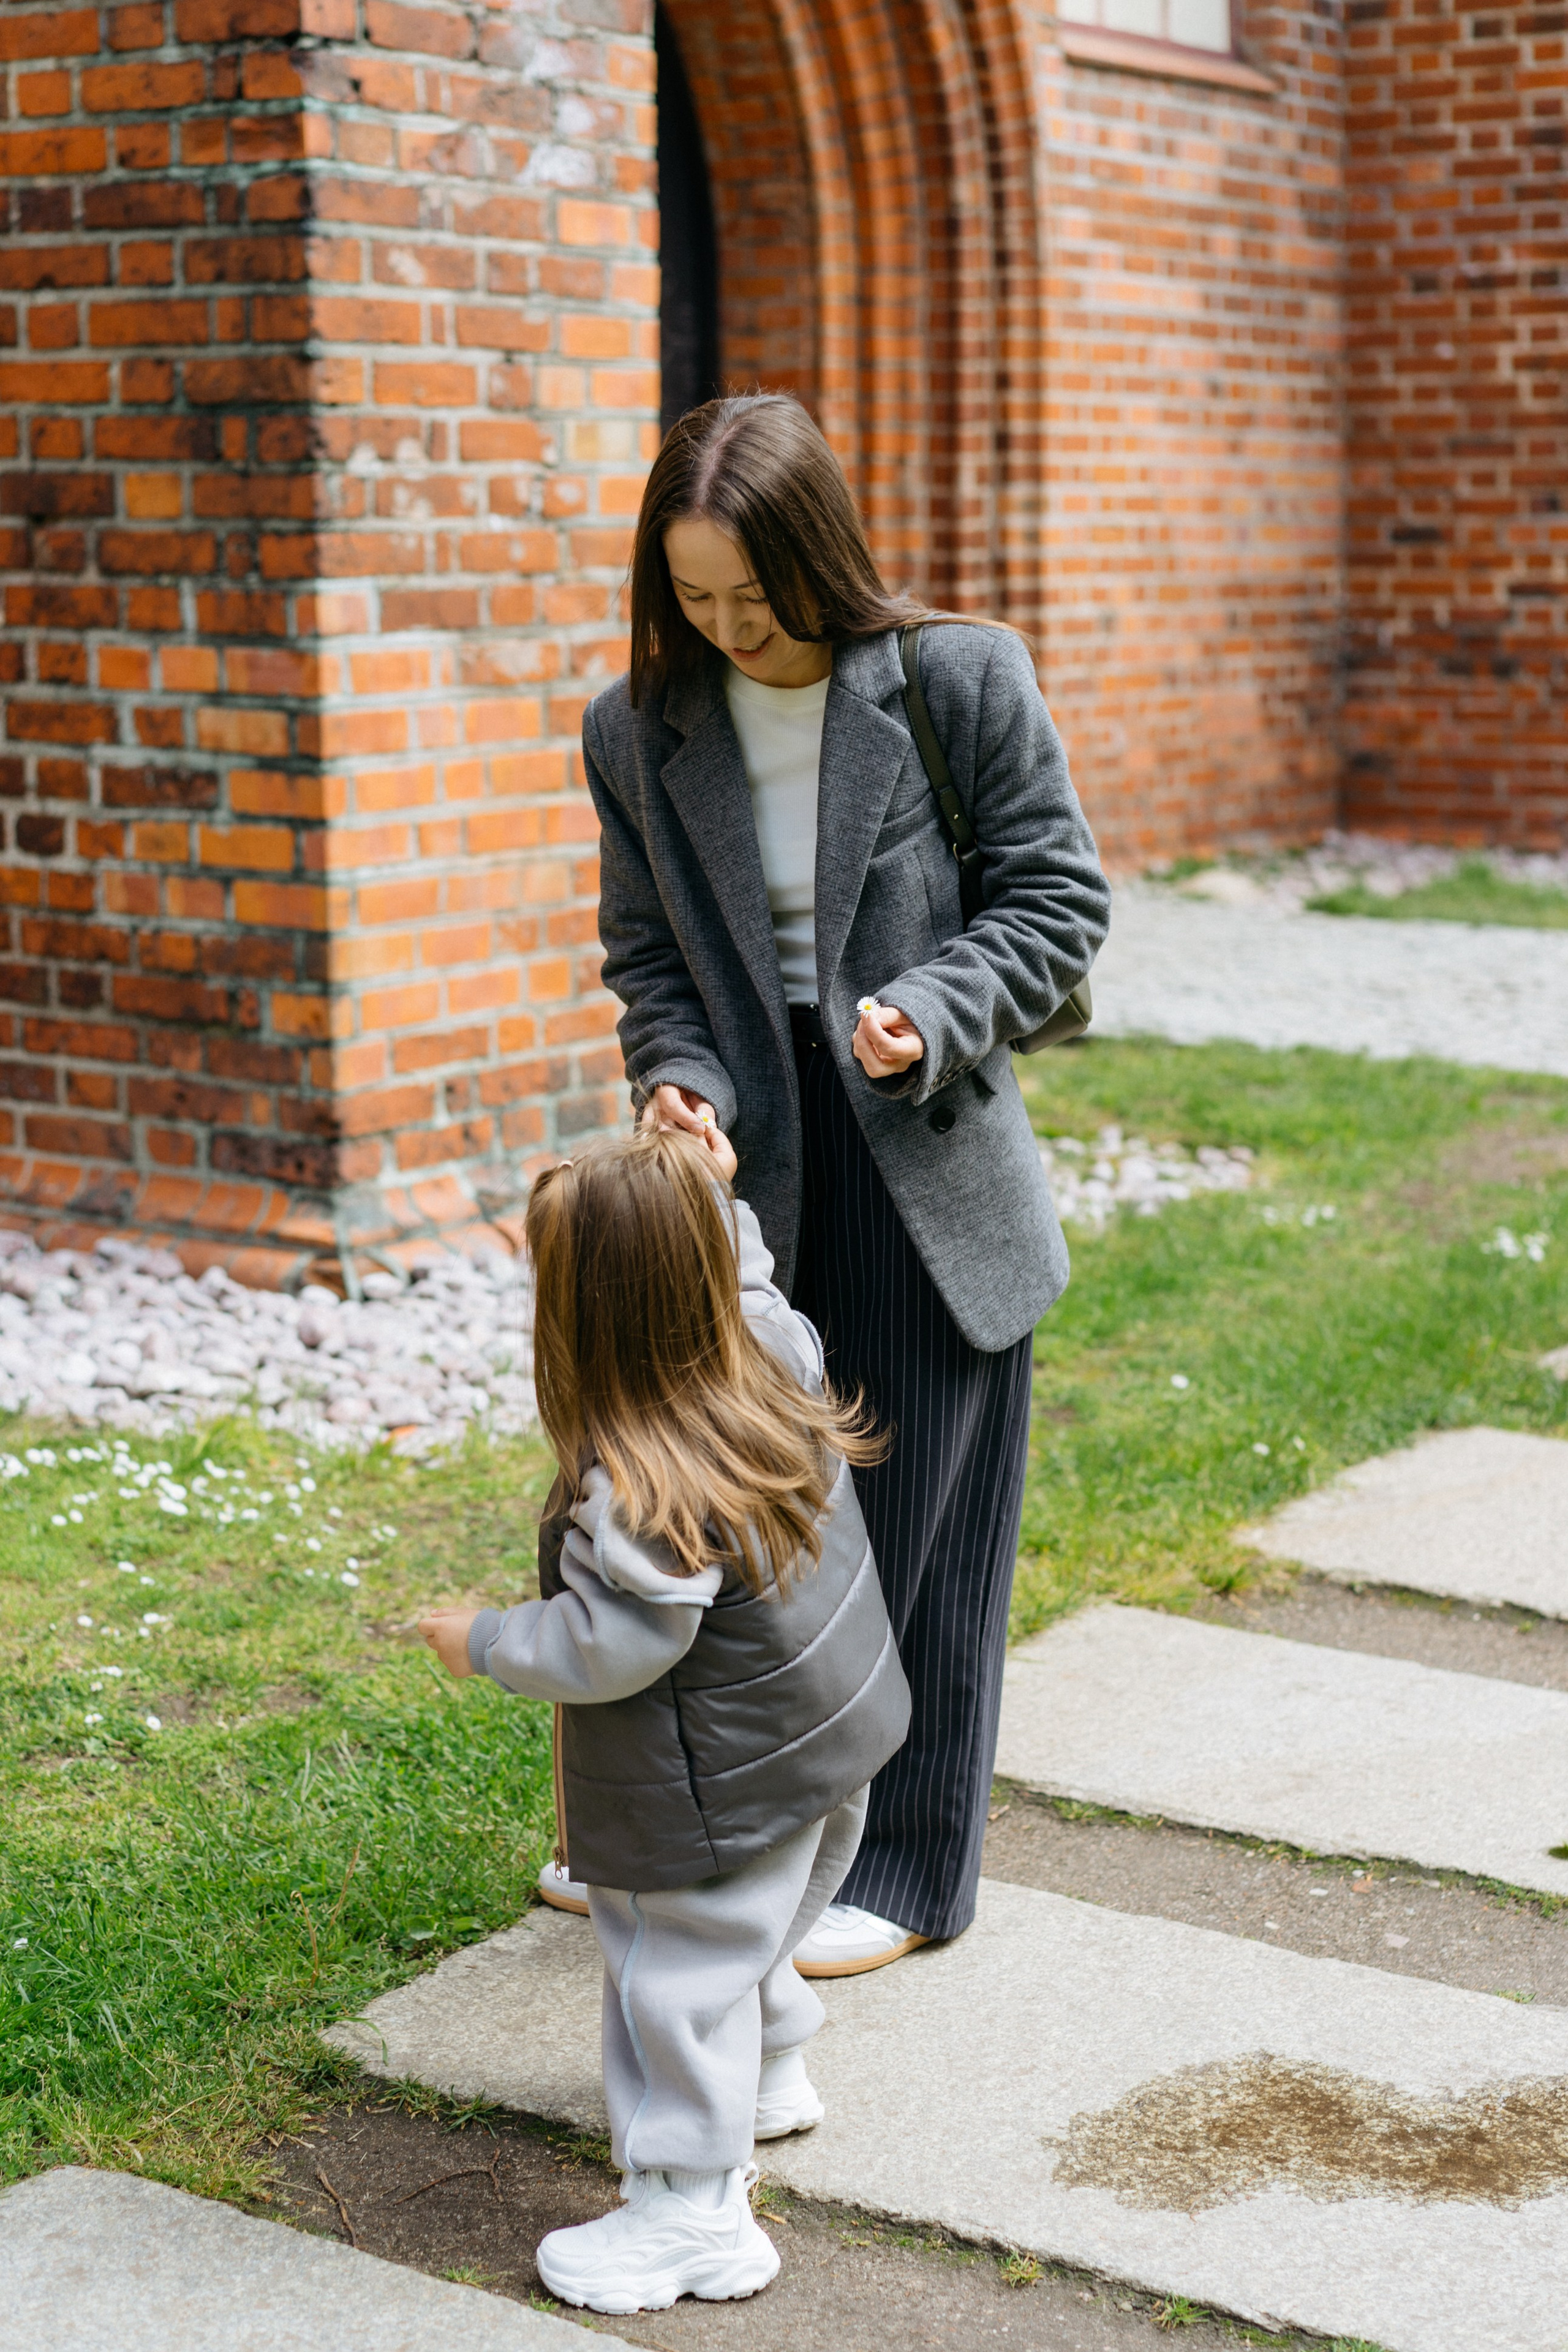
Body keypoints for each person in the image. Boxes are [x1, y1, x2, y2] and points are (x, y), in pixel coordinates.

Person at [557, 392, 1110, 1973]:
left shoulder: (957, 679)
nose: (728, 630)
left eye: (755, 595)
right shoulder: (635, 731)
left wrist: (928, 1008)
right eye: (692, 598)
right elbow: (650, 957)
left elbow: (1058, 900)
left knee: (917, 1533)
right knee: (729, 1523)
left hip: (923, 1156)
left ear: (822, 554)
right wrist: (681, 1081)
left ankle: (910, 1872)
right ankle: (700, 1839)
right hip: (751, 1180)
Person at [418, 1123, 910, 2316]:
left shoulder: (643, 1479)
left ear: (593, 1317)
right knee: (756, 1933)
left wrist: (484, 1641)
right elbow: (746, 1274)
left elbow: (616, 1643)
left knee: (674, 1976)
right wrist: (714, 1198)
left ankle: (691, 2212)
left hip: (713, 1786)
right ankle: (769, 2072)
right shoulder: (768, 1348)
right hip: (825, 1737)